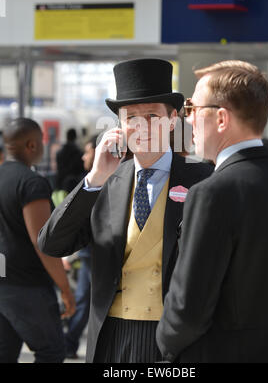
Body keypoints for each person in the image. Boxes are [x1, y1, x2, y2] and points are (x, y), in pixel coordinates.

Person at [38, 58, 213, 363]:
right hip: (111, 336)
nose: (142, 126)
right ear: (119, 124)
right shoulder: (106, 182)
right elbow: (52, 244)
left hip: (174, 338)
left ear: (172, 120)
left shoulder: (202, 179)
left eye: (152, 115)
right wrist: (93, 180)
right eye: (131, 116)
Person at [156, 60, 268, 363]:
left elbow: (188, 309)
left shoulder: (212, 194)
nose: (188, 119)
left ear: (221, 118)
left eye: (193, 107)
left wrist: (165, 349)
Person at [0, 118, 75, 363]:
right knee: (51, 352)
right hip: (28, 286)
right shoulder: (31, 183)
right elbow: (41, 242)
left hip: (4, 282)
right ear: (31, 145)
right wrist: (65, 288)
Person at [64, 134, 98, 359]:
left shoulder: (96, 182)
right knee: (85, 298)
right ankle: (70, 341)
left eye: (88, 151)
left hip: (92, 252)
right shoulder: (90, 180)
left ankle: (69, 341)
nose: (84, 156)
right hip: (88, 253)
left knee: (85, 299)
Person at [55, 127, 85, 192]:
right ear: (75, 137)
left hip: (61, 184)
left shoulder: (60, 152)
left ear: (67, 136)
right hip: (75, 185)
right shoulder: (79, 153)